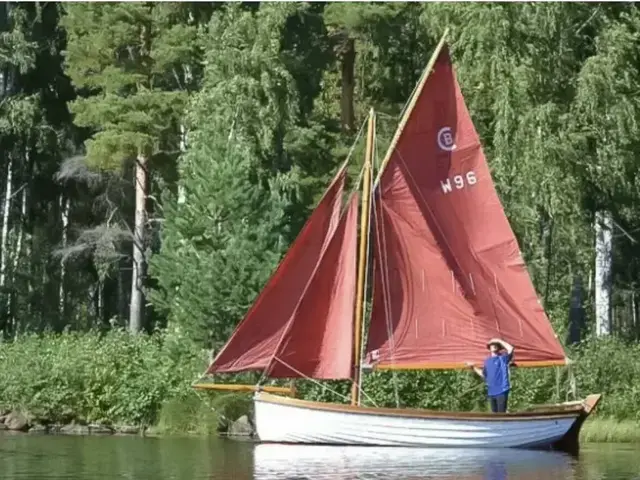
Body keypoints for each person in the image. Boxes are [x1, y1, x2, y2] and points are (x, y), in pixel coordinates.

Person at [466, 338, 514, 413]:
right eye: (492, 344)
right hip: (491, 392)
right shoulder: (487, 361)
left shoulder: (503, 358)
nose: (494, 345)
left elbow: (511, 348)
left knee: (501, 416)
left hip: (501, 390)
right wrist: (473, 367)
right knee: (494, 417)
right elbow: (483, 374)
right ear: (489, 348)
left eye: (496, 344)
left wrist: (499, 340)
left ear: (499, 347)